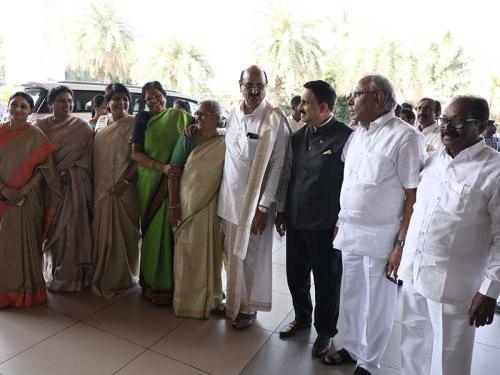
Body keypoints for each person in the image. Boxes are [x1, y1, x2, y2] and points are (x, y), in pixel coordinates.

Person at [324, 74, 426, 375]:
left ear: (378, 97)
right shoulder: (359, 134)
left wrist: (400, 244)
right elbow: (351, 183)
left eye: (356, 94)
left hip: (383, 236)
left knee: (378, 301)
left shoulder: (405, 136)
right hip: (351, 230)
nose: (350, 101)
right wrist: (341, 221)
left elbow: (413, 196)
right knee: (352, 293)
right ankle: (351, 345)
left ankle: (369, 362)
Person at [399, 96, 500, 375]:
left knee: (449, 360)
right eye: (445, 120)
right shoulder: (433, 161)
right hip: (416, 272)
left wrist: (490, 291)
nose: (446, 126)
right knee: (412, 345)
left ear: (482, 126)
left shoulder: (494, 171)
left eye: (458, 121)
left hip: (454, 284)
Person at [276, 81, 352, 357]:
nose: (300, 107)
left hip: (325, 224)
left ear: (324, 107)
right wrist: (283, 211)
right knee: (295, 275)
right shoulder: (297, 136)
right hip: (296, 219)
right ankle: (302, 317)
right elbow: (289, 177)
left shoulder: (345, 137)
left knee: (326, 280)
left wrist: (341, 223)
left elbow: (349, 185)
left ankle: (325, 332)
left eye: (306, 103)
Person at [217, 65, 288, 330]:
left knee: (251, 256)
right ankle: (234, 301)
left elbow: (278, 166)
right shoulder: (233, 112)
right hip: (229, 199)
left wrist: (264, 206)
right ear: (240, 86)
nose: (255, 90)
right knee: (231, 255)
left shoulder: (273, 118)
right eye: (249, 85)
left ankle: (247, 308)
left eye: (260, 85)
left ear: (266, 87)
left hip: (255, 204)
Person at [131, 81, 193, 305]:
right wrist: (163, 168)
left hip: (177, 183)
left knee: (173, 231)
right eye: (148, 97)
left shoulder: (181, 117)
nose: (153, 100)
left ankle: (175, 284)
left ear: (164, 97)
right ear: (144, 101)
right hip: (151, 180)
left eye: (157, 95)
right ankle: (153, 284)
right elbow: (136, 155)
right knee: (154, 230)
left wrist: (191, 130)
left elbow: (197, 137)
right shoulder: (142, 119)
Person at [0, 92, 61, 308]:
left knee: (24, 243)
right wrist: (5, 189)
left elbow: (45, 169)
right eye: (14, 105)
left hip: (27, 199)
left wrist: (24, 189)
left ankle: (25, 291)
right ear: (8, 106)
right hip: (2, 197)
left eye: (23, 106)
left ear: (30, 110)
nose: (18, 109)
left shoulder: (36, 135)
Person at [168, 99, 225, 319]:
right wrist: (174, 203)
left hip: (211, 202)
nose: (198, 118)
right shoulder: (188, 137)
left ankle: (211, 298)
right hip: (187, 202)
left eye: (204, 114)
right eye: (197, 114)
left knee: (210, 250)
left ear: (217, 118)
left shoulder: (225, 140)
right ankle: (186, 301)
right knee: (188, 250)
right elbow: (174, 171)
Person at [36, 85, 94, 292]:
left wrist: (71, 173)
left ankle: (69, 276)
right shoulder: (40, 127)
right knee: (49, 231)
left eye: (69, 100)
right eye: (61, 100)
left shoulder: (83, 128)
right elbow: (34, 157)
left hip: (71, 187)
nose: (67, 104)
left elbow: (88, 158)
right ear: (51, 104)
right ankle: (51, 273)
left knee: (69, 232)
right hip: (45, 187)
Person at [91, 83, 140, 299]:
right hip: (100, 188)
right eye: (116, 99)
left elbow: (140, 158)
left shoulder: (135, 123)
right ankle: (102, 274)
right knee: (102, 234)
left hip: (124, 189)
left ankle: (122, 277)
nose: (121, 103)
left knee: (125, 233)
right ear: (107, 102)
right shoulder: (101, 122)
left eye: (125, 99)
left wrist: (125, 183)